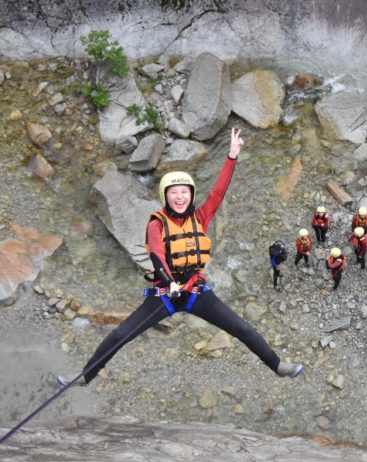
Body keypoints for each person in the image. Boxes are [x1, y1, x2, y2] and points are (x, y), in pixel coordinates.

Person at [57, 128, 304, 386]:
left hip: (196, 291)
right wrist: (169, 283)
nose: (179, 196)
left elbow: (218, 192)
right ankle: (85, 376)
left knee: (241, 328)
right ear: (165, 196)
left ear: (191, 195)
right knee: (122, 333)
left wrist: (231, 156)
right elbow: (157, 256)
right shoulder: (157, 224)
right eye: (174, 193)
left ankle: (277, 365)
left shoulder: (200, 217)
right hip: (167, 294)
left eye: (184, 192)